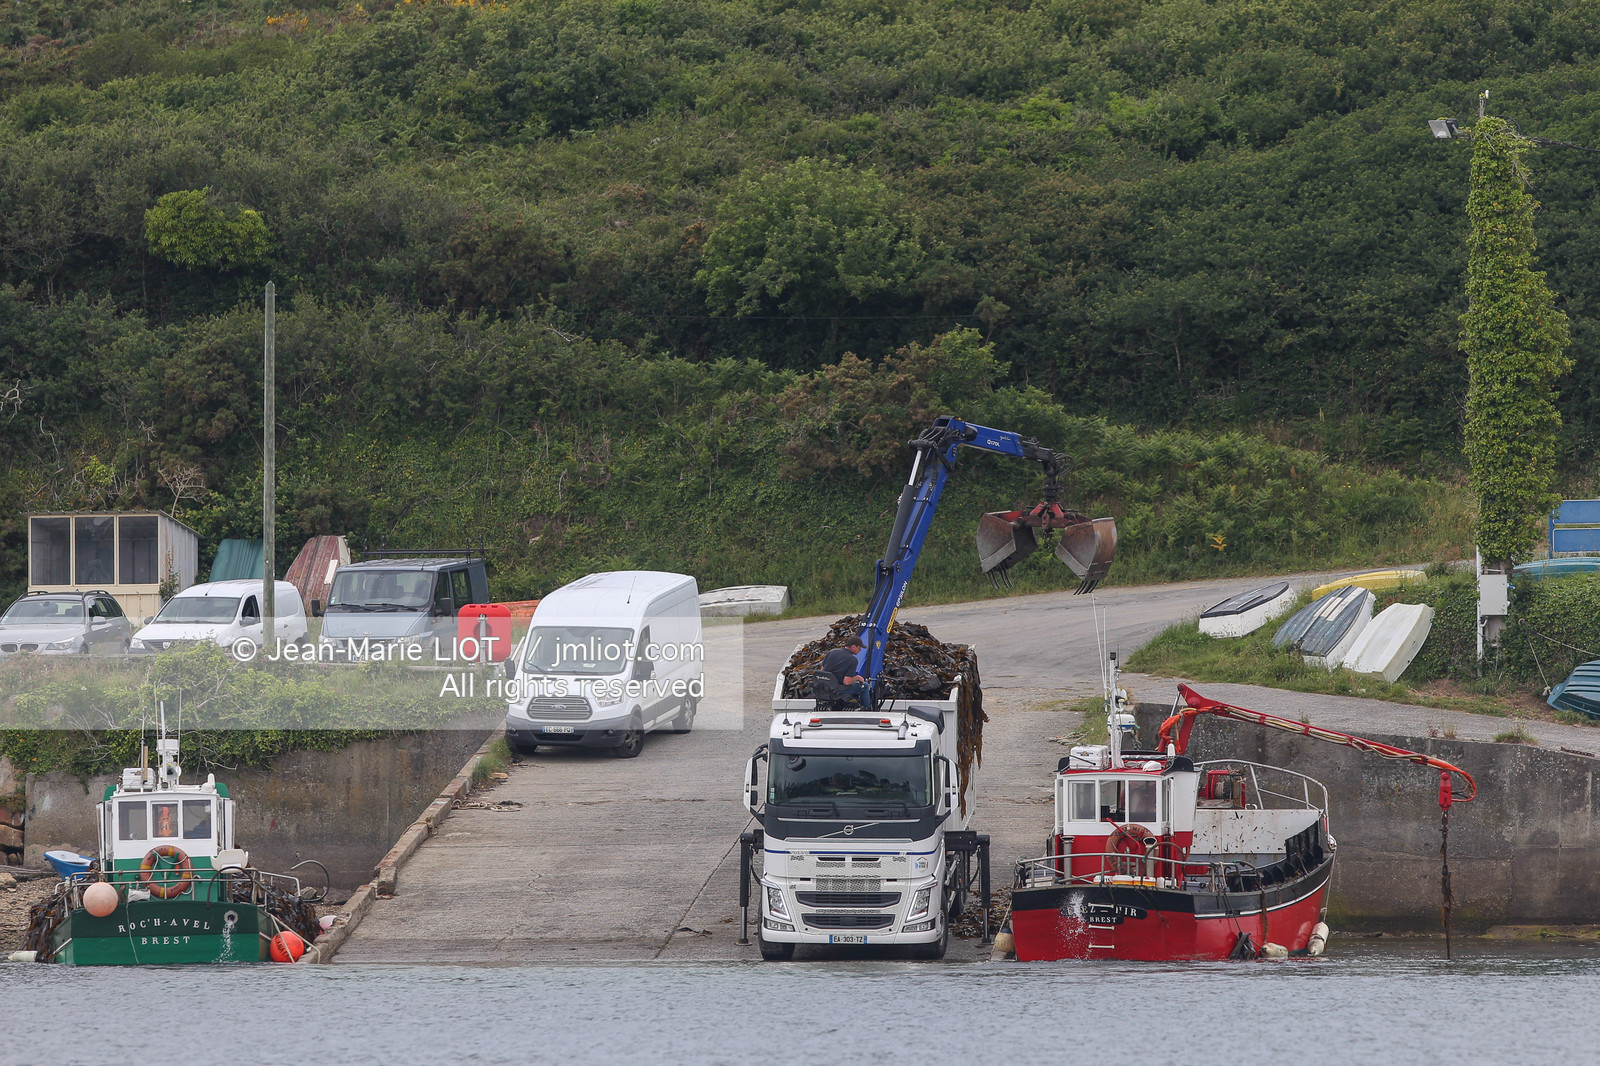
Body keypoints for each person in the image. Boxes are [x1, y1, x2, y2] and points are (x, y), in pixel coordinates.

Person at [815, 633, 868, 707]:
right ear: (853, 646)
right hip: (837, 690)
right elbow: (846, 682)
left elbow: (822, 671)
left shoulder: (831, 652)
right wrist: (857, 678)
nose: (860, 650)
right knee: (864, 686)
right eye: (859, 648)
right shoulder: (852, 660)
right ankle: (867, 708)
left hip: (824, 688)